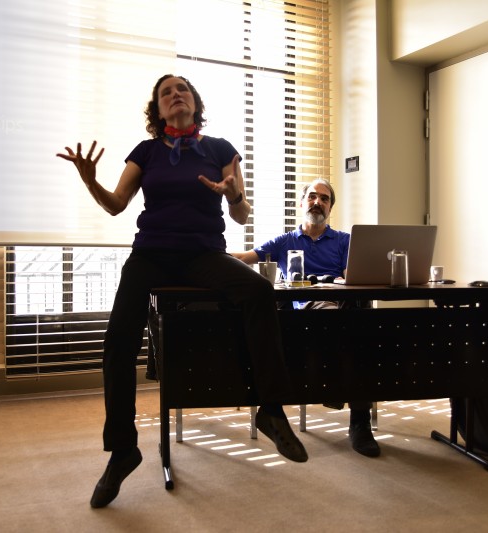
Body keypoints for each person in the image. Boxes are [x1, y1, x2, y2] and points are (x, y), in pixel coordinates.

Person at [57, 74, 308, 509]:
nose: (176, 95)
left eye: (183, 89)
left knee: (257, 291)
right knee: (118, 340)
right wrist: (90, 182)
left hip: (202, 253)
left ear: (195, 102)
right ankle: (122, 450)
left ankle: (270, 410)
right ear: (157, 110)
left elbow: (241, 215)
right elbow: (116, 205)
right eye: (166, 92)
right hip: (151, 254)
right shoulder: (146, 151)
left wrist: (234, 197)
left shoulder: (221, 150)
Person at [232, 178, 381, 458]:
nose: (317, 202)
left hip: (340, 307)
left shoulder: (344, 240)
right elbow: (244, 258)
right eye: (312, 196)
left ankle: (359, 421)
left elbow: (354, 277)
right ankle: (347, 402)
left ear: (330, 208)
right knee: (351, 331)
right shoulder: (284, 241)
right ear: (301, 204)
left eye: (324, 199)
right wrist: (211, 256)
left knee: (364, 327)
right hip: (301, 316)